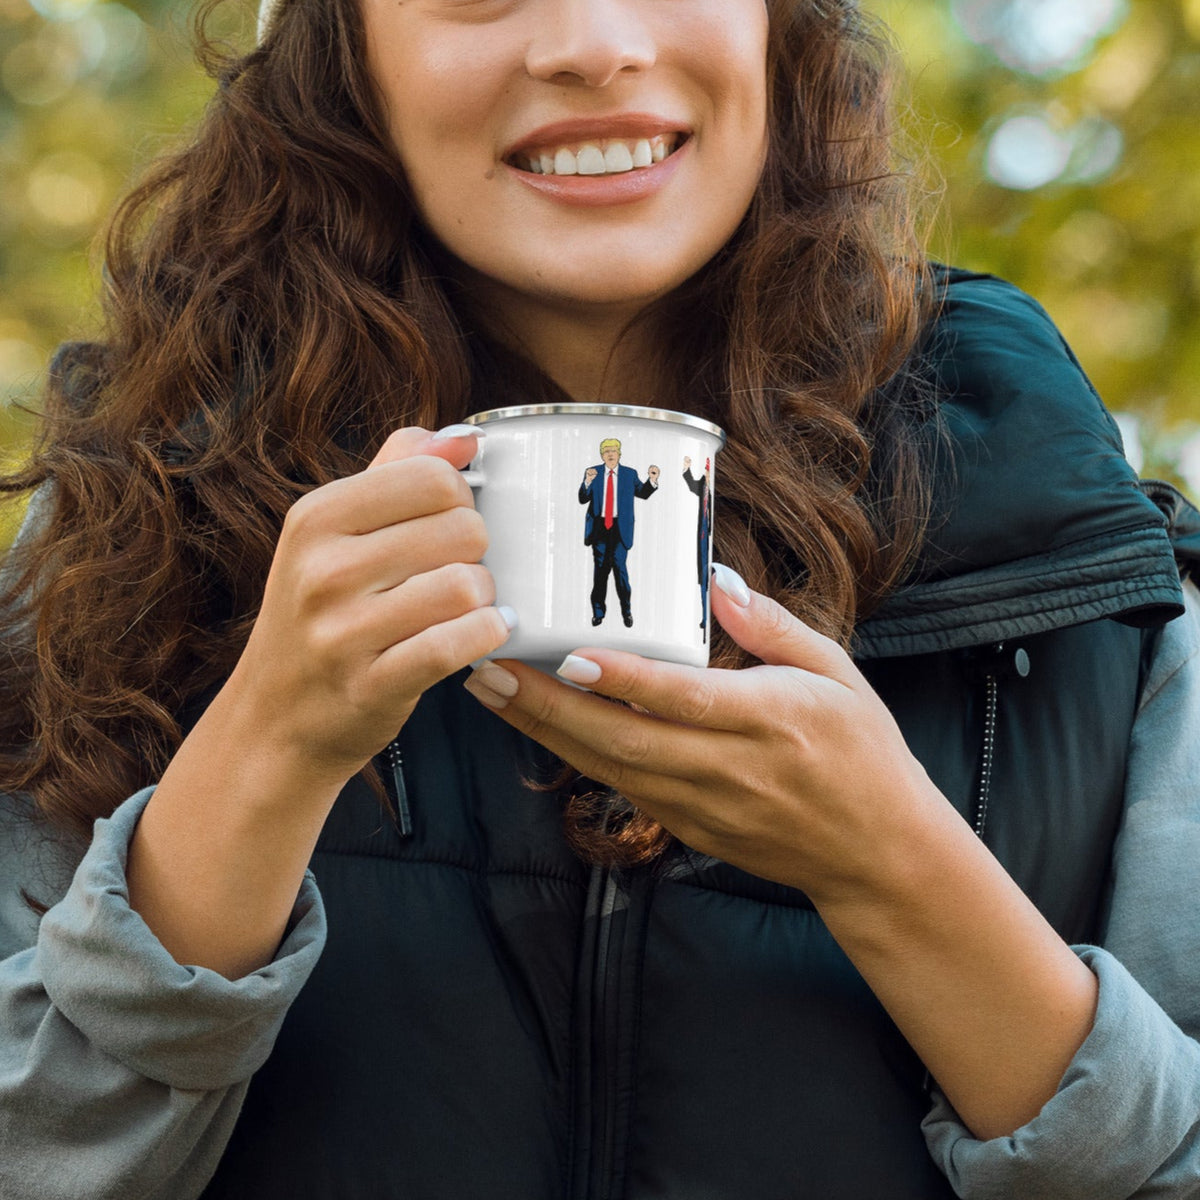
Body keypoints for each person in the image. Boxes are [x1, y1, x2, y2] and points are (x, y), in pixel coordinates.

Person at [1, 0, 1199, 1197]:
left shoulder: (1086, 569)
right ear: (340, 51)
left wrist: (892, 869)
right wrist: (260, 752)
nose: (594, 43)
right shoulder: (127, 543)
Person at [579, 437, 660, 627]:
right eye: (606, 452)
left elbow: (643, 493)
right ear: (602, 455)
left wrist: (652, 480)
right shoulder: (593, 472)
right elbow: (583, 498)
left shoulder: (629, 474)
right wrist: (587, 482)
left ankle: (627, 612)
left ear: (619, 455)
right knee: (600, 572)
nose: (610, 455)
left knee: (620, 570)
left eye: (613, 452)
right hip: (599, 529)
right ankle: (598, 613)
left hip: (619, 530)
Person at [682, 455, 712, 635]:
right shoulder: (701, 486)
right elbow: (691, 483)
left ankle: (704, 618)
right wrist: (686, 469)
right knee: (701, 578)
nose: (707, 474)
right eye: (706, 471)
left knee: (706, 580)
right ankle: (703, 618)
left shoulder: (711, 489)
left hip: (706, 537)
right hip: (700, 537)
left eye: (708, 472)